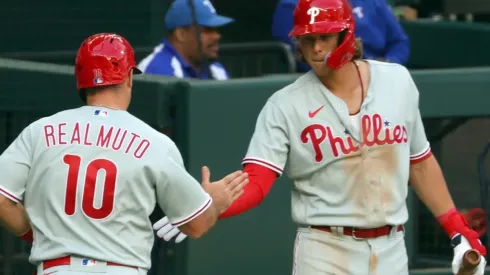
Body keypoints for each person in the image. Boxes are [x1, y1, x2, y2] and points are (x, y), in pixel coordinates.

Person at [152, 0, 487, 274]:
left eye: (324, 37)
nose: (314, 49)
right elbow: (257, 182)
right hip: (325, 249)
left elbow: (421, 163)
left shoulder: (397, 82)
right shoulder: (284, 105)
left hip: (391, 249)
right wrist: (212, 203)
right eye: (306, 39)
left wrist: (458, 229)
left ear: (346, 35)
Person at [0, 33, 248, 275]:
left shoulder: (40, 131)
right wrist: (213, 202)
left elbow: (2, 201)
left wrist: (40, 235)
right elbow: (196, 224)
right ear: (129, 78)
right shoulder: (154, 143)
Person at [271, 0, 411, 72]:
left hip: (380, 74)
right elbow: (303, 53)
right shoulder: (293, 5)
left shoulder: (372, 1)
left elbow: (399, 41)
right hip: (327, 81)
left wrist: (389, 63)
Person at [137, 0, 233, 80]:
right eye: (208, 30)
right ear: (181, 34)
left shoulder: (215, 69)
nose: (217, 36)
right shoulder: (155, 71)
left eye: (216, 30)